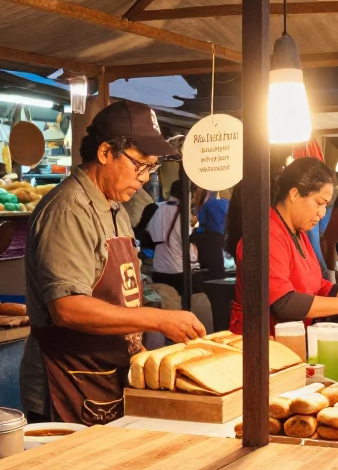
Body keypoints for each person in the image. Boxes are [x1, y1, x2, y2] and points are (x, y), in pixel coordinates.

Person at [21, 100, 206, 425]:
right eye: (140, 165)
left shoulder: (115, 207)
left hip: (110, 376)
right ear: (106, 152)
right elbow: (67, 308)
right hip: (68, 381)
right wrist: (158, 320)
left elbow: (125, 287)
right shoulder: (70, 211)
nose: (145, 178)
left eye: (151, 168)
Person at [229, 158, 338, 335]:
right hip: (260, 347)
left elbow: (320, 287)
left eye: (325, 206)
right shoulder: (266, 235)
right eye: (319, 203)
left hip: (291, 342)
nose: (322, 214)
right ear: (295, 195)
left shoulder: (298, 233)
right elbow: (283, 303)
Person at [146, 179, 202, 295]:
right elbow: (186, 240)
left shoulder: (158, 209)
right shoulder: (183, 214)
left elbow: (150, 233)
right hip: (178, 271)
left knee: (168, 306)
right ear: (188, 194)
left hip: (159, 269)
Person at [193, 188, 229, 282]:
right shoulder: (226, 202)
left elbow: (201, 221)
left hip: (211, 236)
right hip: (223, 234)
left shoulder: (207, 205)